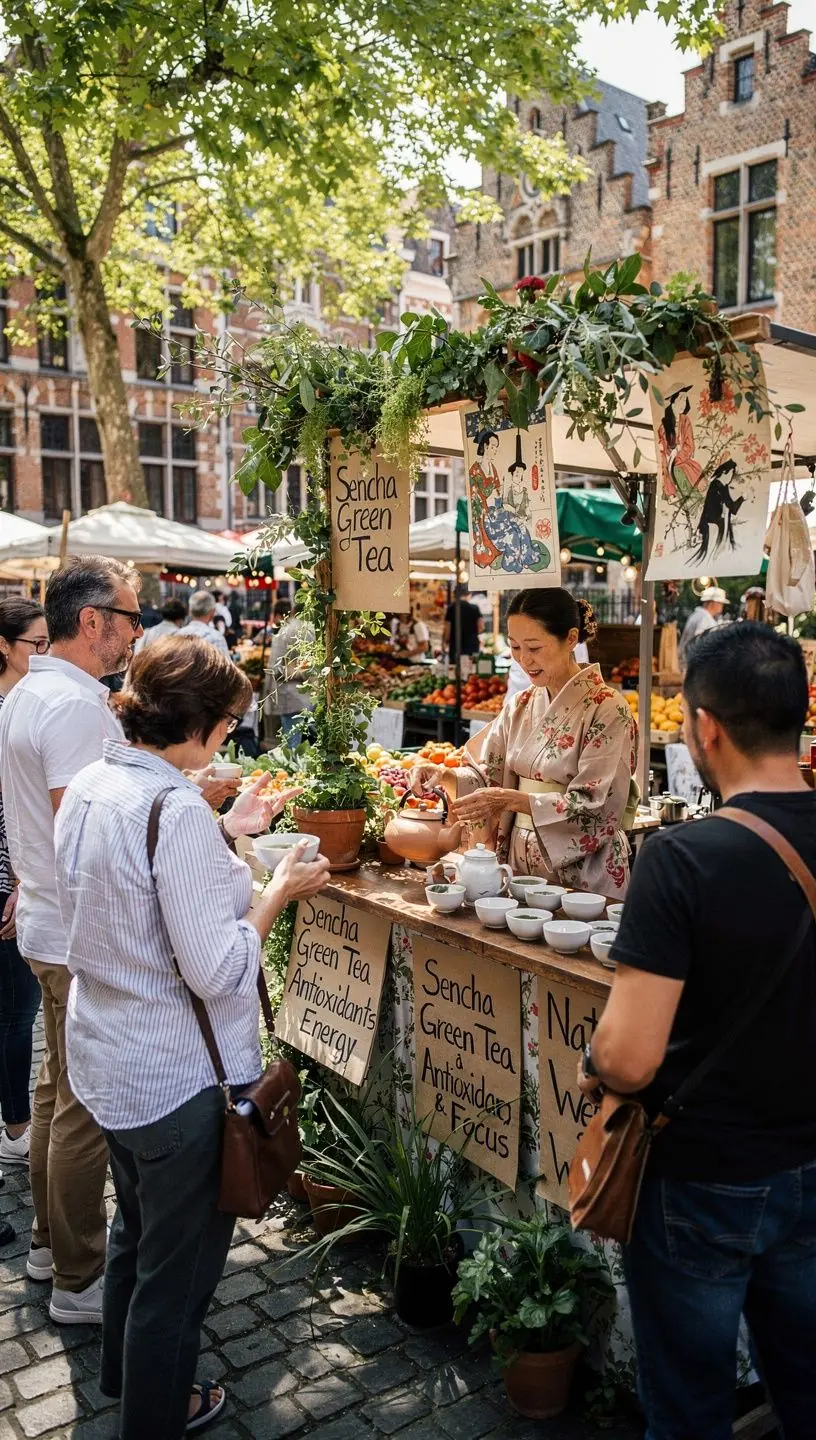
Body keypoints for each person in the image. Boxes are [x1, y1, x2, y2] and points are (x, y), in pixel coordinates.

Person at [55, 636, 330, 1439]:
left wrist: (224, 827)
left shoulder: (101, 782)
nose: (231, 738)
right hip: (174, 1078)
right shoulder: (169, 807)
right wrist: (275, 891)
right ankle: (155, 1412)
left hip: (109, 1059)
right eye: (230, 724)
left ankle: (120, 1373)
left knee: (135, 1234)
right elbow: (216, 968)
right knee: (175, 1277)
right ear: (204, 724)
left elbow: (135, 898)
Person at [578, 623, 816, 1440]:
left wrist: (592, 1057)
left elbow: (629, 1058)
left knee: (689, 1409)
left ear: (705, 727)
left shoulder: (682, 859)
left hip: (706, 1179)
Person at [0, 556, 143, 1323]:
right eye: (131, 618)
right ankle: (81, 1281)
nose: (134, 635)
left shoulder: (30, 692)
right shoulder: (78, 707)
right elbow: (79, 830)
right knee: (82, 1105)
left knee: (56, 1094)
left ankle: (50, 1245)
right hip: (70, 929)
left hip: (44, 921)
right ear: (93, 622)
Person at [415, 588, 637, 898]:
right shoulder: (520, 704)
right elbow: (484, 775)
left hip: (583, 868)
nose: (523, 660)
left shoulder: (608, 707)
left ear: (571, 639)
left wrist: (513, 800)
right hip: (518, 860)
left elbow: (597, 805)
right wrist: (444, 776)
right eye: (515, 647)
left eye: (534, 647)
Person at [0, 601, 48, 1183]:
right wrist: (16, 881)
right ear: (5, 646)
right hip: (6, 880)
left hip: (15, 875)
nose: (41, 654)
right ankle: (15, 1128)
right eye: (34, 643)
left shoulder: (21, 706)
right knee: (16, 1009)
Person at [263, 599, 314, 747]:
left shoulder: (285, 631)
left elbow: (276, 668)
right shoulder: (311, 629)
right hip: (306, 695)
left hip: (289, 696)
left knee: (292, 745)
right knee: (302, 743)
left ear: (293, 611)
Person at [677, 585, 726, 672]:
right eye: (721, 603)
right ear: (712, 603)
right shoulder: (704, 619)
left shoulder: (697, 615)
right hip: (694, 666)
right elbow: (699, 643)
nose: (722, 607)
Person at [179, 591, 231, 656]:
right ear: (213, 611)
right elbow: (225, 665)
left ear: (190, 611)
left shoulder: (177, 635)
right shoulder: (216, 638)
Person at [443, 586, 483, 662]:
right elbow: (481, 627)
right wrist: (472, 633)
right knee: (471, 669)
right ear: (469, 595)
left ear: (454, 595)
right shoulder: (474, 608)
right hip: (472, 645)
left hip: (455, 645)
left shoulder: (451, 608)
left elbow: (447, 629)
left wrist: (445, 642)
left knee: (456, 669)